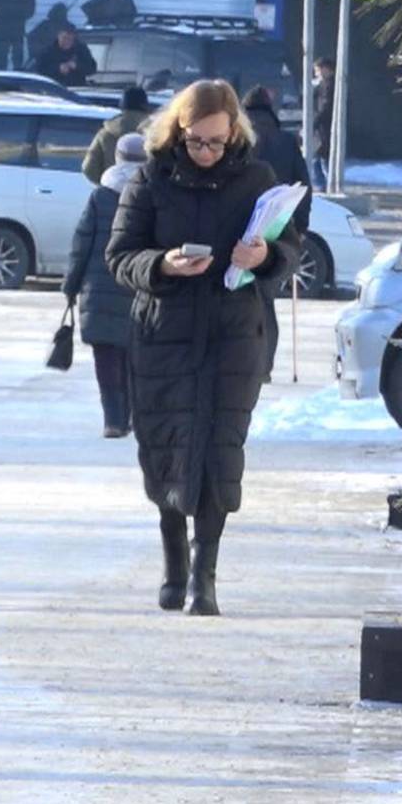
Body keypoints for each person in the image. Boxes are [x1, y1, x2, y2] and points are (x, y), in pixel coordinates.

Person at [106, 79, 292, 618]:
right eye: (196, 142)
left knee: (218, 452)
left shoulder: (257, 178)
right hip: (164, 333)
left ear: (234, 131)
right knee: (167, 447)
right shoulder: (150, 178)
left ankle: (203, 578)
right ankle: (173, 567)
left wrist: (265, 257)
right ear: (178, 131)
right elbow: (120, 256)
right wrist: (162, 265)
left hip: (235, 335)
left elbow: (287, 247)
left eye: (216, 142)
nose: (206, 153)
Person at [64, 132, 146, 438]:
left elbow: (81, 243)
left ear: (118, 158)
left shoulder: (101, 195)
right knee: (136, 361)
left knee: (107, 361)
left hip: (100, 291)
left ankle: (114, 420)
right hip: (139, 289)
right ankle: (137, 417)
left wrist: (71, 286)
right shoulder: (150, 194)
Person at [242, 85, 312, 380]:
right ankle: (266, 365)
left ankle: (246, 360)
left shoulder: (240, 138)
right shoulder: (286, 141)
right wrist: (301, 225)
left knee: (241, 298)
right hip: (280, 227)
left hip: (244, 225)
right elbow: (304, 185)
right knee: (267, 299)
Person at [80, 85, 154, 180]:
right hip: (146, 192)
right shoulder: (158, 134)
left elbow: (88, 169)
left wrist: (106, 182)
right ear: (145, 105)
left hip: (113, 189)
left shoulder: (106, 133)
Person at [310, 58, 336, 187]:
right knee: (318, 156)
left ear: (327, 69)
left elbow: (326, 106)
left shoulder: (330, 85)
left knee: (320, 157)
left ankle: (323, 185)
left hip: (326, 126)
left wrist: (314, 121)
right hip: (322, 126)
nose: (316, 73)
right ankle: (323, 184)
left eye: (318, 70)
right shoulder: (322, 85)